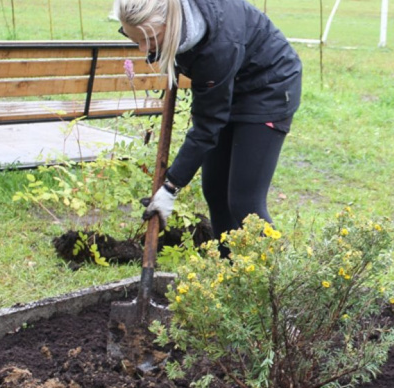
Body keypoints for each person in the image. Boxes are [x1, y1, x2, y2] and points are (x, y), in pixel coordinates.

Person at [114, 0, 301, 256]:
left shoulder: (217, 47)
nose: (143, 49)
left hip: (268, 87)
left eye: (151, 38)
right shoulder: (174, 17)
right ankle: (229, 273)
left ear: (171, 24)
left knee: (245, 203)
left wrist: (170, 187)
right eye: (135, 39)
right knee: (214, 191)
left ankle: (279, 282)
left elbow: (207, 125)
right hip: (229, 82)